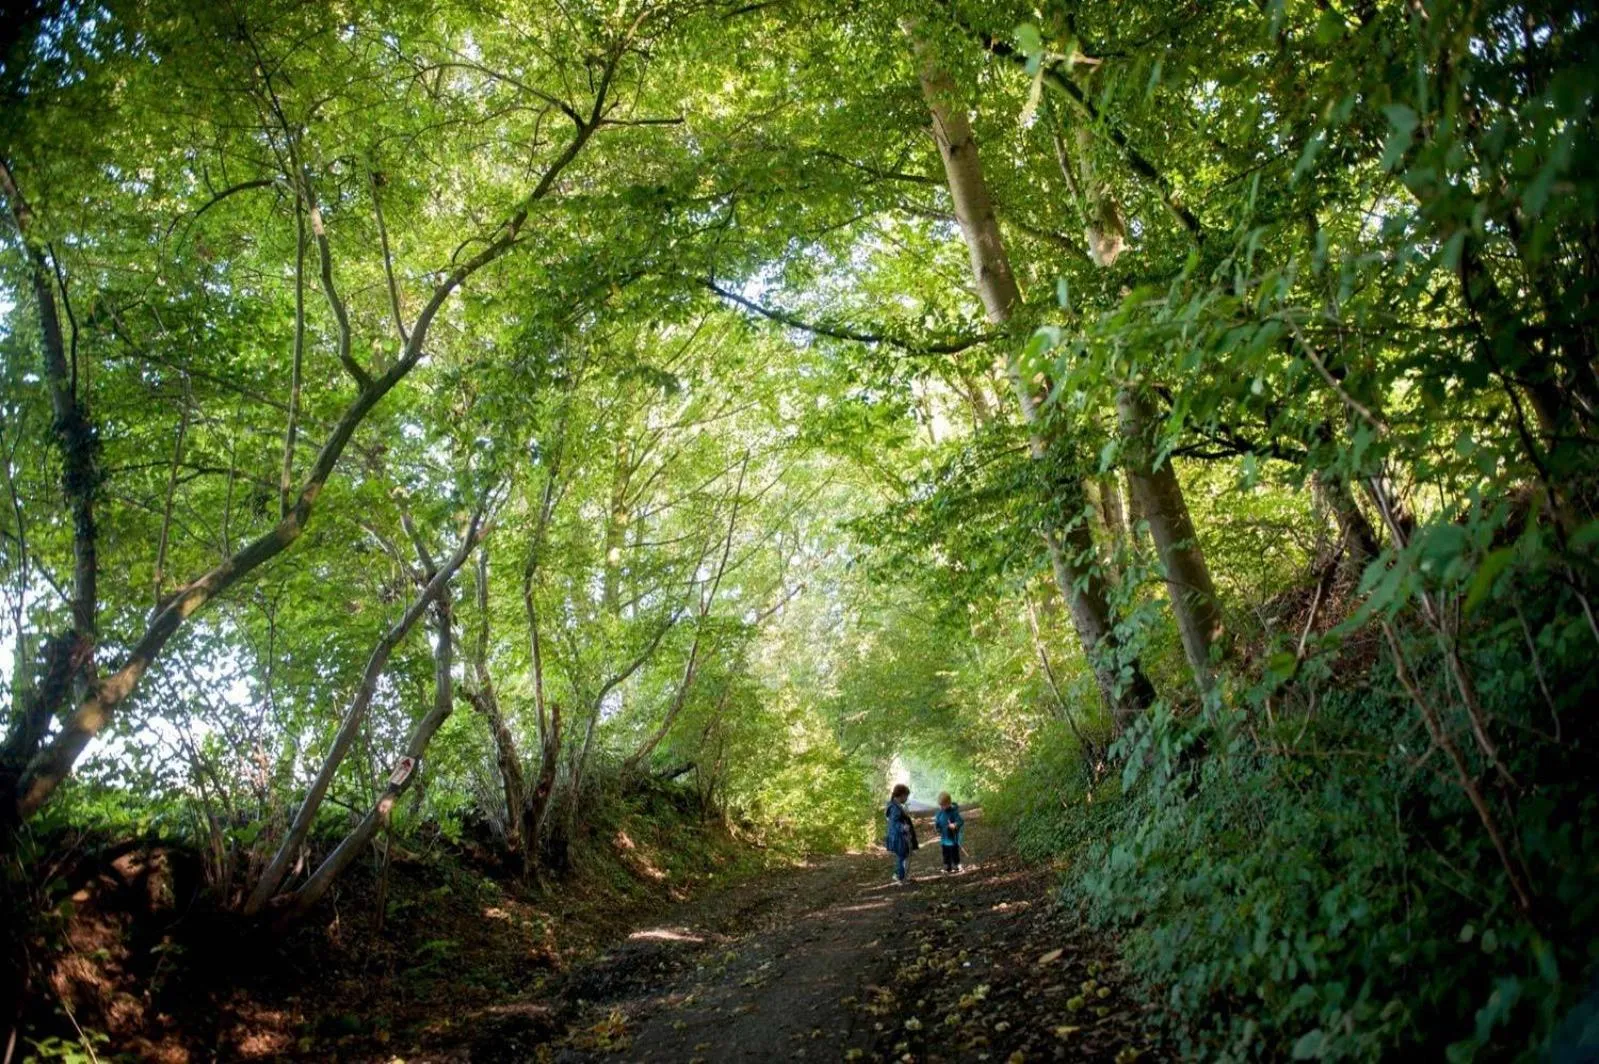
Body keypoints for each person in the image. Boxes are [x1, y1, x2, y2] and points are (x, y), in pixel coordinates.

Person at [884, 783, 918, 885]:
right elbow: (894, 822)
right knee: (902, 856)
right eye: (906, 796)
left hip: (898, 836)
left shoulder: (895, 805)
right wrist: (903, 827)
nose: (907, 798)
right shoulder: (894, 808)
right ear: (902, 795)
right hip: (898, 837)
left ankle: (898, 874)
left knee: (903, 855)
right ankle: (901, 878)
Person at [934, 792, 964, 873]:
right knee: (945, 852)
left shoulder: (954, 812)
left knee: (954, 852)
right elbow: (937, 823)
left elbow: (960, 821)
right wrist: (937, 828)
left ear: (949, 803)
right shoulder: (939, 813)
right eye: (941, 805)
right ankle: (947, 866)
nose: (942, 807)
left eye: (944, 805)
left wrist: (954, 825)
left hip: (953, 838)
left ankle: (957, 864)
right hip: (944, 838)